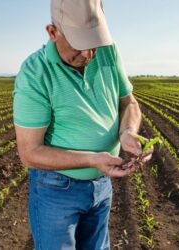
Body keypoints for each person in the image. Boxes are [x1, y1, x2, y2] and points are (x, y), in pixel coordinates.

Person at [12, 0, 152, 249]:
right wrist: (91, 159)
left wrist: (128, 131)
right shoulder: (35, 73)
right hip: (57, 189)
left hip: (101, 186)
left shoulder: (108, 51)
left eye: (94, 44)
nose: (88, 55)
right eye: (79, 44)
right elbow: (30, 153)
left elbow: (129, 102)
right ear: (52, 33)